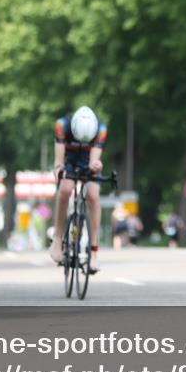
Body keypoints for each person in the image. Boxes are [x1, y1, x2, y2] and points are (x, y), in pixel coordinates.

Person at [48, 106, 107, 273]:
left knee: (93, 195)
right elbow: (58, 161)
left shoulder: (101, 129)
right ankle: (58, 239)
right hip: (69, 158)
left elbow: (94, 159)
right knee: (66, 189)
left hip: (88, 158)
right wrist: (59, 169)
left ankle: (94, 252)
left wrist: (96, 164)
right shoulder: (62, 125)